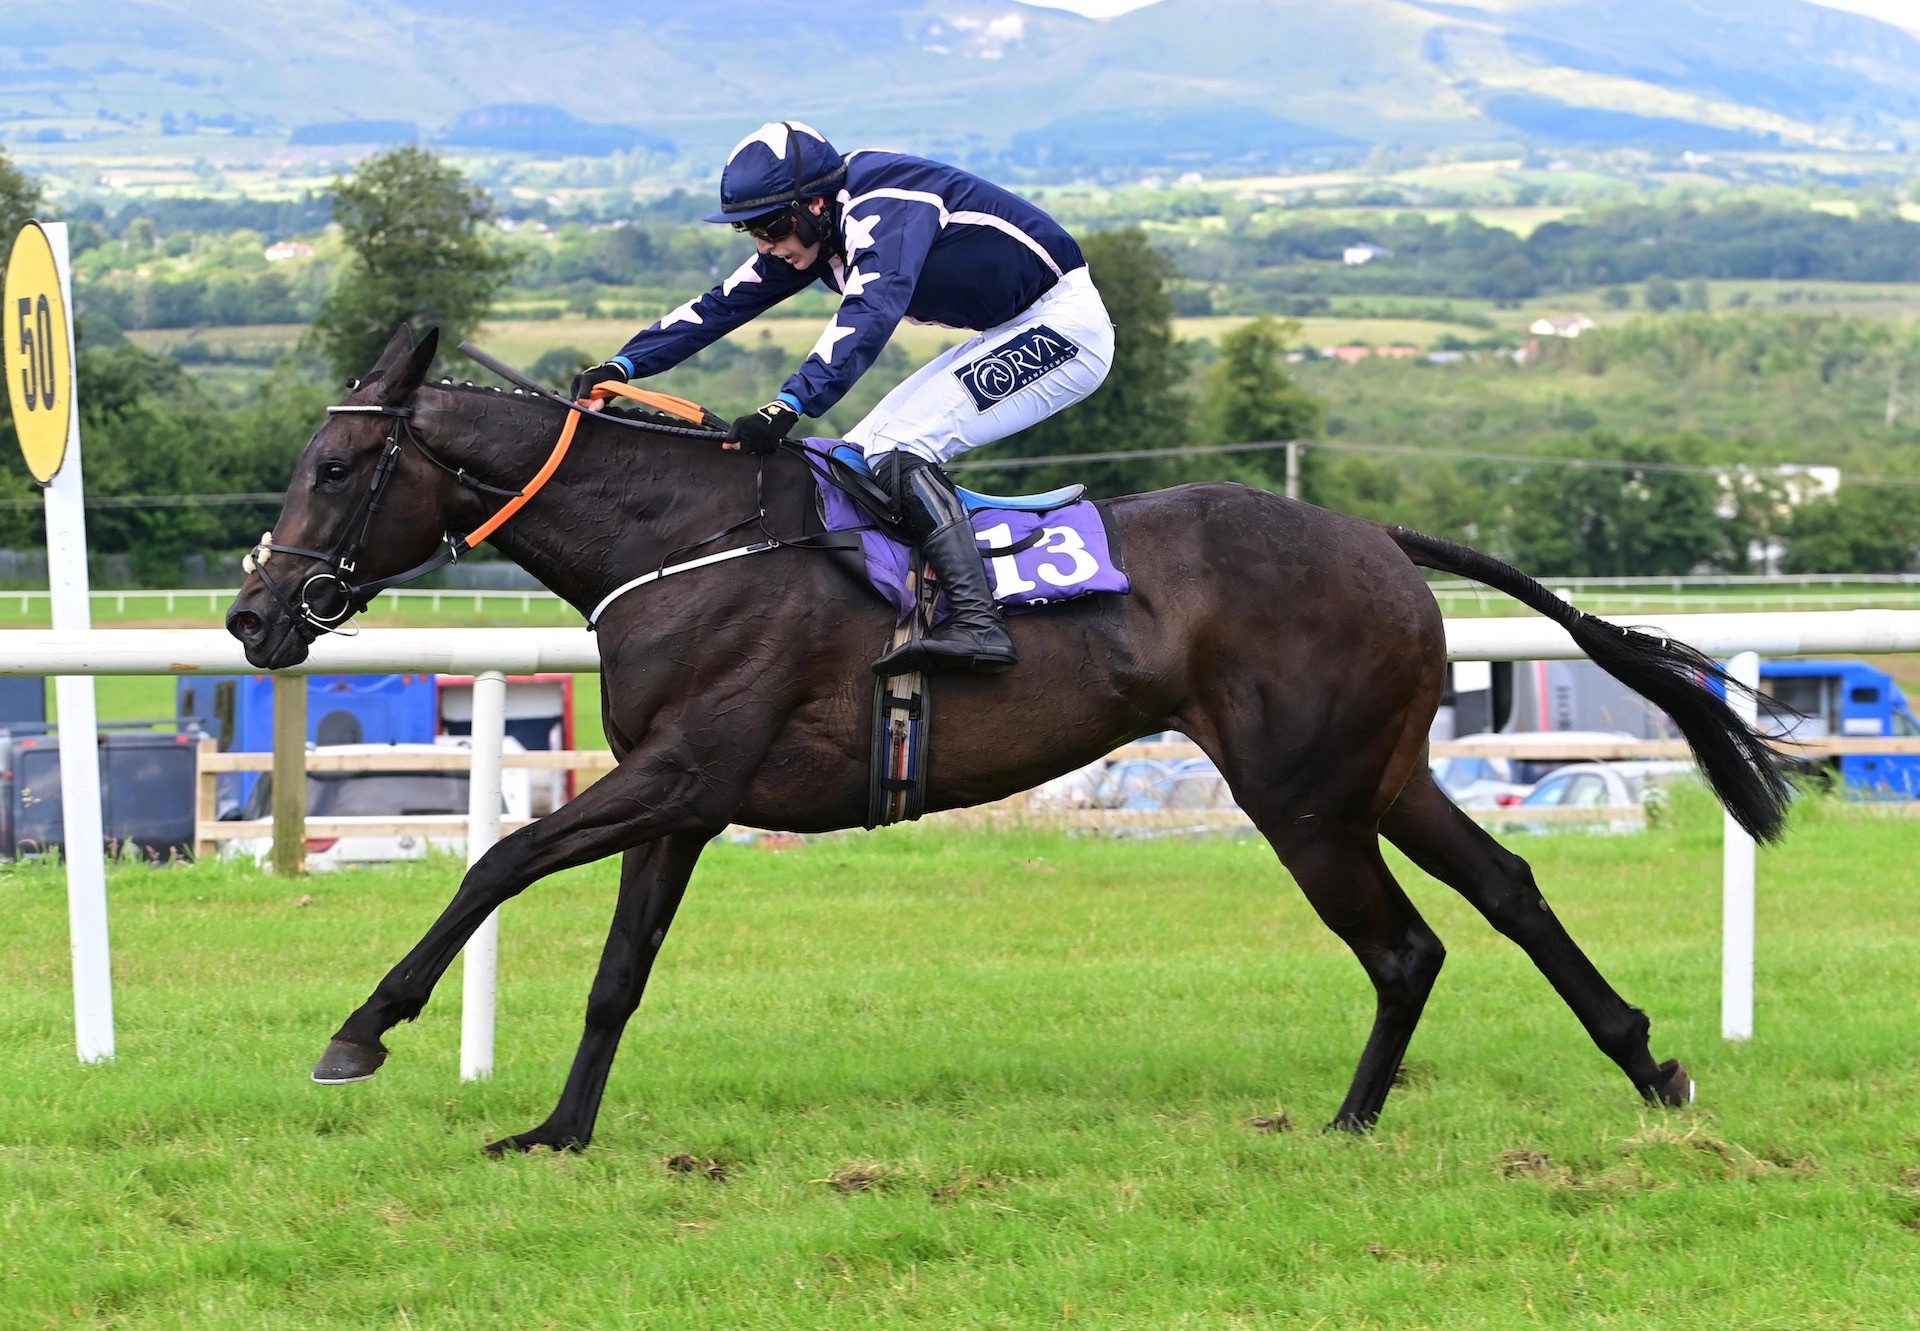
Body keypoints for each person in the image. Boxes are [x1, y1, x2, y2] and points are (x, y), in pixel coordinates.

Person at [572, 121, 1115, 677]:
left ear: (815, 204)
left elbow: (870, 312)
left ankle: (979, 623)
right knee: (853, 460)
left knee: (898, 450)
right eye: (750, 230)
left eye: (772, 226)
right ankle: (906, 604)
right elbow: (721, 305)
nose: (765, 244)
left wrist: (789, 404)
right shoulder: (815, 229)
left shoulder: (886, 207)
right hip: (1011, 327)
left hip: (1064, 329)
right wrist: (623, 365)